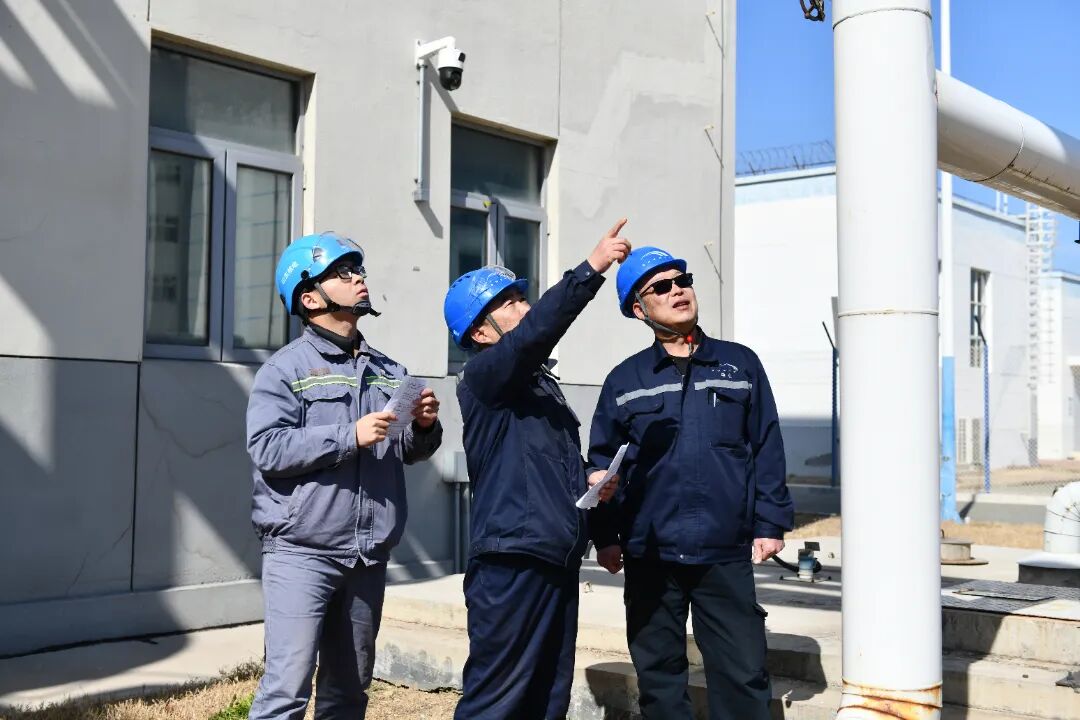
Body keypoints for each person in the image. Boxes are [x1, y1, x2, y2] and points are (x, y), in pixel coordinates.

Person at [587, 246, 793, 720]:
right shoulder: (625, 380)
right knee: (659, 676)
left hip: (724, 548)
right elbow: (603, 464)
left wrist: (770, 522)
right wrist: (606, 536)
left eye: (683, 280)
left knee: (742, 673)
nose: (678, 290)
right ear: (639, 309)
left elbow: (766, 445)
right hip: (650, 551)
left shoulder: (740, 364)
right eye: (661, 287)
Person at [246, 231, 442, 719]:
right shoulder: (284, 370)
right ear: (309, 297)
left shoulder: (389, 370)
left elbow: (408, 451)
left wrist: (423, 426)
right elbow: (267, 447)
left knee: (348, 694)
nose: (358, 279)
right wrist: (349, 434)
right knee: (285, 692)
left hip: (367, 557)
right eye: (342, 273)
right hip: (301, 553)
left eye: (358, 270)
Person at [442, 220, 630, 720]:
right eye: (509, 303)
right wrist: (591, 269)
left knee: (548, 698)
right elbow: (532, 337)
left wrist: (589, 483)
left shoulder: (540, 389)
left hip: (554, 558)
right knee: (497, 701)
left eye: (522, 298)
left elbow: (544, 467)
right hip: (512, 563)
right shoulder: (484, 376)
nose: (524, 308)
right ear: (480, 332)